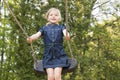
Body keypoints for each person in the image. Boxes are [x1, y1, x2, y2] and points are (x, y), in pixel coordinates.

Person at [27, 8, 70, 80]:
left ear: (59, 18)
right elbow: (37, 35)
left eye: (56, 15)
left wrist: (67, 35)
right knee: (50, 77)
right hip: (48, 56)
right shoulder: (44, 28)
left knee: (57, 76)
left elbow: (65, 33)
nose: (53, 16)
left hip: (59, 55)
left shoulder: (61, 27)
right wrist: (30, 38)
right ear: (47, 17)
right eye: (51, 15)